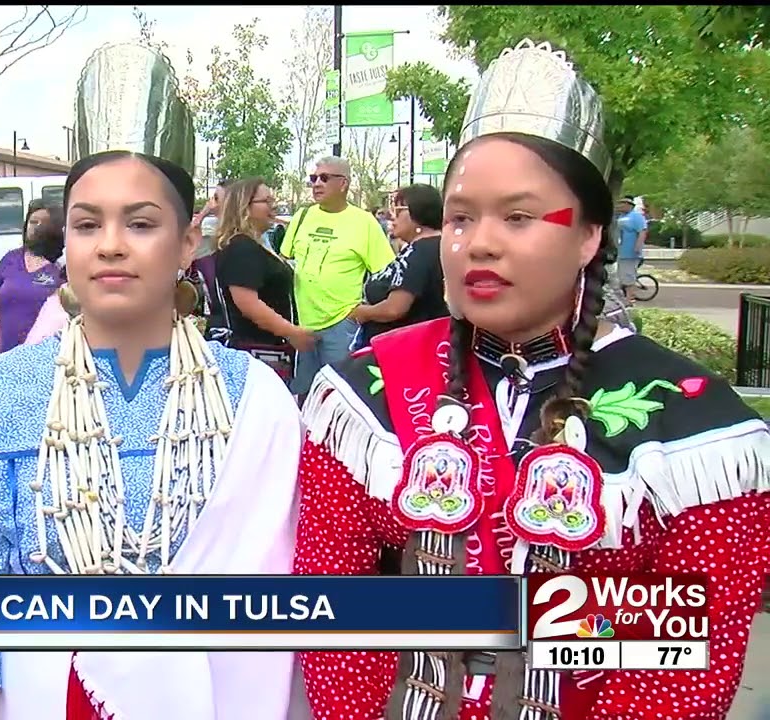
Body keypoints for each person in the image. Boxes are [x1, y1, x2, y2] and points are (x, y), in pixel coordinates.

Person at [293, 38, 770, 719]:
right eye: (461, 218)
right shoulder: (361, 395)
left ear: (588, 236)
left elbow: (675, 682)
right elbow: (340, 627)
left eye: (518, 216)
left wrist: (542, 624)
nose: (479, 242)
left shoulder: (696, 430)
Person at [0, 151, 302, 719]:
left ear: (186, 244)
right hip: (40, 700)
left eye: (141, 223)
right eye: (86, 224)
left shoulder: (256, 398)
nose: (110, 245)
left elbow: (284, 603)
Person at [280, 156, 395, 397]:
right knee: (305, 394)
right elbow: (284, 258)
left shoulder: (364, 223)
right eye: (313, 178)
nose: (316, 184)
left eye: (324, 178)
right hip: (304, 325)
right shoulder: (302, 217)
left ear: (343, 184)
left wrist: (364, 311)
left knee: (340, 395)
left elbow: (385, 274)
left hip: (342, 323)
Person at [212, 177, 313, 385]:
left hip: (270, 350)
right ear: (245, 207)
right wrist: (291, 332)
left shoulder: (253, 245)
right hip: (256, 352)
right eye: (266, 201)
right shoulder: (241, 248)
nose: (273, 207)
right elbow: (248, 304)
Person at [349, 183, 449, 349]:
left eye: (398, 210)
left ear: (418, 213)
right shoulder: (428, 247)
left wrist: (362, 313)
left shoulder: (421, 251)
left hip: (401, 350)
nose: (391, 217)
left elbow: (394, 308)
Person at [0, 200, 66, 352]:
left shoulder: (60, 266)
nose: (34, 227)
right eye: (32, 222)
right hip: (6, 352)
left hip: (44, 354)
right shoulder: (11, 259)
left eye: (41, 223)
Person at [615, 196, 648, 305]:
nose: (620, 206)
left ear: (629, 205)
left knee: (629, 277)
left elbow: (642, 231)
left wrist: (637, 247)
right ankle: (623, 299)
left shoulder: (636, 217)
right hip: (622, 252)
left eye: (622, 204)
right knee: (621, 277)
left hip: (631, 253)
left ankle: (630, 300)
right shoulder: (621, 217)